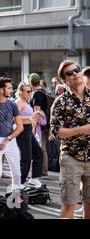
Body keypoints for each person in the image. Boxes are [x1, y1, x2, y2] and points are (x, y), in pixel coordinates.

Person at [50, 60, 90, 219]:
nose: (74, 74)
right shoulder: (60, 102)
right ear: (64, 80)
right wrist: (82, 130)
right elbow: (56, 132)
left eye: (76, 70)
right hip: (71, 158)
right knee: (69, 206)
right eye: (69, 73)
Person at [0, 77, 24, 197]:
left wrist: (7, 140)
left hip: (10, 141)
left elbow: (20, 127)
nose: (11, 90)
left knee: (17, 173)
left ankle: (16, 198)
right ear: (1, 90)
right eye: (9, 88)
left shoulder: (12, 105)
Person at [15, 82, 43, 188]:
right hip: (22, 131)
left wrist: (34, 117)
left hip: (28, 131)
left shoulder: (25, 102)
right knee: (26, 157)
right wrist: (29, 119)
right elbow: (14, 118)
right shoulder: (18, 102)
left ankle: (34, 178)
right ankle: (20, 182)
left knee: (38, 153)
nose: (29, 93)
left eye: (30, 91)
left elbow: (28, 117)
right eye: (27, 91)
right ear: (20, 92)